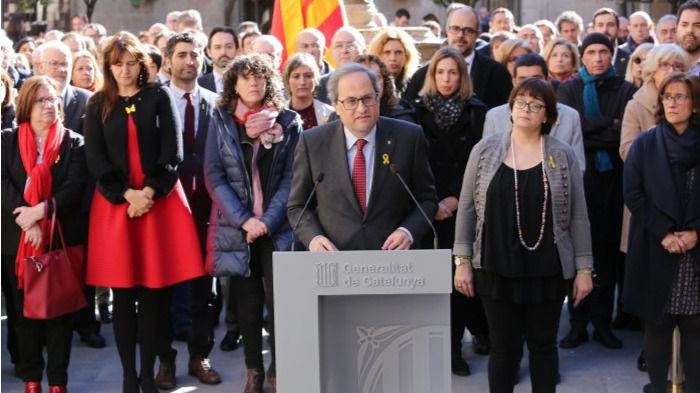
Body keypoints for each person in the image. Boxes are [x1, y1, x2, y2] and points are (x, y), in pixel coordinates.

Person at [453, 78, 593, 393]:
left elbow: (579, 216)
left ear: (547, 115)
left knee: (544, 348)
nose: (526, 109)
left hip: (547, 270)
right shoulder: (485, 150)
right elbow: (466, 207)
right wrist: (462, 261)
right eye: (520, 101)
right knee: (503, 349)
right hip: (495, 267)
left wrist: (584, 269)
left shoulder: (562, 154)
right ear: (511, 107)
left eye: (535, 104)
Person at [84, 31, 205, 393]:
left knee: (154, 293)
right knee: (122, 295)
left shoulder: (158, 96)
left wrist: (149, 191)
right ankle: (127, 377)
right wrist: (126, 194)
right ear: (108, 67)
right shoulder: (97, 104)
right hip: (116, 207)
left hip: (158, 205)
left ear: (141, 64)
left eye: (130, 62)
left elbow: (174, 151)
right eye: (117, 64)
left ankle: (150, 375)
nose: (124, 70)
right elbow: (95, 158)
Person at [204, 54, 301, 393]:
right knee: (246, 304)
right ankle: (253, 371)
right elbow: (214, 176)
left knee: (280, 303)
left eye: (259, 77)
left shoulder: (289, 122)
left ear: (269, 81)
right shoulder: (220, 119)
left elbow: (293, 178)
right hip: (238, 228)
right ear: (234, 84)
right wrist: (245, 221)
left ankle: (277, 369)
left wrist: (268, 220)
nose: (253, 83)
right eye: (245, 78)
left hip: (278, 227)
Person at [287, 63, 438, 252]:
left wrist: (407, 231)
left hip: (394, 263)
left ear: (378, 96)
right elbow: (297, 206)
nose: (361, 108)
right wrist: (314, 238)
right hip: (334, 262)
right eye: (351, 101)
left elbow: (427, 200)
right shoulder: (313, 143)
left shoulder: (409, 137)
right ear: (336, 105)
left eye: (367, 98)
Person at [1, 75, 88, 393]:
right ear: (26, 105)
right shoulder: (6, 140)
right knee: (24, 315)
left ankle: (58, 383)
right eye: (41, 100)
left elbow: (75, 188)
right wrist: (29, 222)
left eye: (53, 99)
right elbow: (4, 186)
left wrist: (41, 213)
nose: (49, 105)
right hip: (17, 241)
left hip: (60, 239)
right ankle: (32, 379)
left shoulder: (73, 142)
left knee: (59, 315)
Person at [411, 46, 488, 377]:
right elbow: (414, 162)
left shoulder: (476, 111)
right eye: (440, 72)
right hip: (429, 207)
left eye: (453, 72)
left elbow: (480, 159)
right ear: (431, 75)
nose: (446, 78)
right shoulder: (416, 113)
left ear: (462, 76)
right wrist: (434, 202)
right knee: (436, 282)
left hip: (465, 205)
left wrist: (457, 197)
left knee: (463, 279)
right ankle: (440, 345)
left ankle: (460, 345)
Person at [557, 32, 637, 350]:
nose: (599, 57)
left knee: (605, 254)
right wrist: (609, 123)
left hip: (613, 184)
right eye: (591, 51)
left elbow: (621, 137)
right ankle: (577, 323)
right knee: (578, 253)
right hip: (578, 182)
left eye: (604, 51)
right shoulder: (569, 88)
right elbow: (569, 132)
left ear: (612, 53)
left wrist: (592, 127)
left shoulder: (626, 89)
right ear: (582, 56)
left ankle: (602, 323)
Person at [623, 72, 700, 393]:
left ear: (695, 105)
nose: (673, 103)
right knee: (656, 330)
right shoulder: (645, 143)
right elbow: (633, 193)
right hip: (657, 247)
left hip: (695, 253)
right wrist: (665, 233)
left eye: (680, 97)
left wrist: (697, 233)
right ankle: (657, 387)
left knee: (696, 333)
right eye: (668, 97)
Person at [154, 32, 222, 389]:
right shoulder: (154, 100)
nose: (190, 61)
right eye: (182, 54)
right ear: (168, 60)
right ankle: (166, 360)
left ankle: (199, 355)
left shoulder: (216, 102)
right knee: (163, 288)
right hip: (166, 210)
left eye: (195, 54)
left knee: (203, 292)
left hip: (206, 211)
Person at [484, 54, 585, 171]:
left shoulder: (570, 116)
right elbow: (487, 163)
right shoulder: (494, 116)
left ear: (548, 80)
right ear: (514, 82)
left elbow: (578, 167)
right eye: (523, 80)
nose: (530, 85)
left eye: (536, 79)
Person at [404, 5, 513, 109]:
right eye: (455, 29)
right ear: (447, 30)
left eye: (468, 30)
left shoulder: (497, 73)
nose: (460, 35)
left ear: (477, 34)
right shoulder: (423, 75)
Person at [354, 54, 414, 122]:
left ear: (385, 81)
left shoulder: (403, 120)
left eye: (377, 77)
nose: (372, 83)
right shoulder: (343, 117)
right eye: (364, 78)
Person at [283, 53, 334, 130]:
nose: (302, 82)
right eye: (296, 76)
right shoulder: (276, 115)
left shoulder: (330, 114)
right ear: (287, 80)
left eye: (308, 76)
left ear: (316, 79)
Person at [315, 26, 366, 104]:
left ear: (364, 51)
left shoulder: (373, 81)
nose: (344, 50)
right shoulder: (320, 86)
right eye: (339, 46)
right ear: (332, 52)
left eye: (350, 45)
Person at [367, 27, 420, 95]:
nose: (393, 58)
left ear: (407, 56)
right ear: (378, 55)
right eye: (387, 52)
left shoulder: (417, 83)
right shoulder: (369, 83)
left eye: (398, 52)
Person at [591, 8, 631, 79]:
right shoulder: (584, 60)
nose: (605, 29)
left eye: (610, 25)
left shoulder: (629, 60)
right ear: (594, 29)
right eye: (600, 25)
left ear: (618, 29)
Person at [199, 26, 238, 94]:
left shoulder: (247, 83)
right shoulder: (199, 85)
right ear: (209, 52)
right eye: (217, 47)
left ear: (237, 50)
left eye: (229, 47)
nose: (223, 52)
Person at [677, 0, 700, 76]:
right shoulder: (664, 64)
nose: (690, 30)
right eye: (684, 25)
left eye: (697, 25)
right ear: (676, 28)